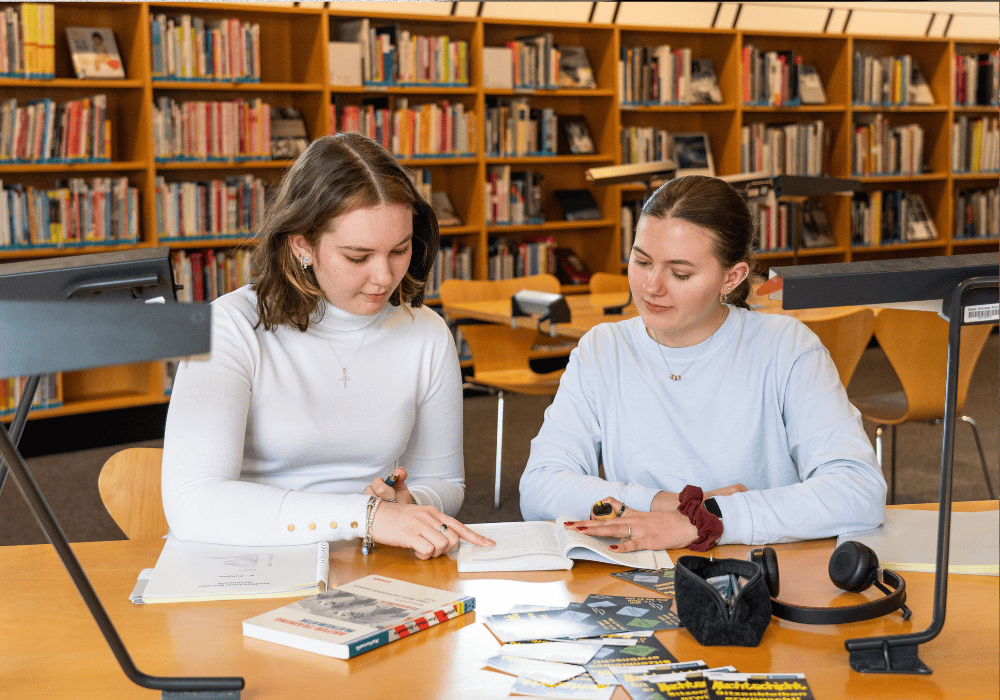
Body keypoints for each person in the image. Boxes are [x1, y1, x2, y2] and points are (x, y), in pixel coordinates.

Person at [162, 133, 493, 559]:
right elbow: (194, 503)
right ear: (302, 244)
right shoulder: (229, 327)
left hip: (370, 558)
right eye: (358, 257)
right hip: (243, 559)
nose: (384, 277)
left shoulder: (425, 332)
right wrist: (365, 515)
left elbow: (445, 480)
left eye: (400, 250)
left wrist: (411, 504)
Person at [519, 175, 886, 552]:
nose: (650, 287)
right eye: (642, 261)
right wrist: (680, 506)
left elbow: (858, 490)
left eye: (680, 273)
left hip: (763, 570)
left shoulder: (786, 348)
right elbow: (539, 488)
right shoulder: (603, 349)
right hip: (640, 569)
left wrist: (705, 522)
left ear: (732, 277)